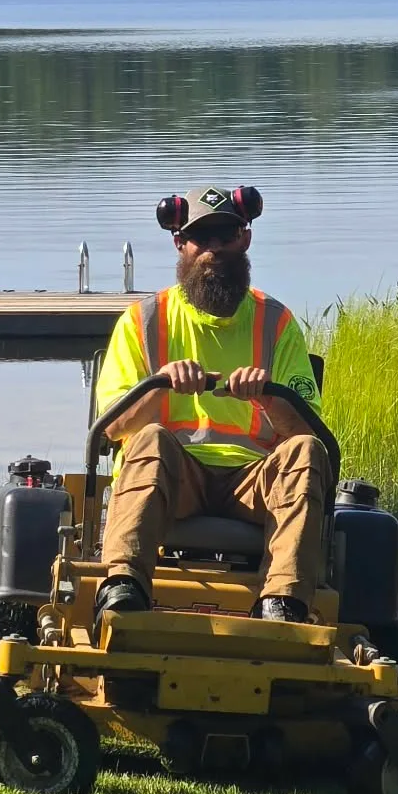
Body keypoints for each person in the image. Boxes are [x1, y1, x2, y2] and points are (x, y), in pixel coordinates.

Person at [91, 185, 330, 627]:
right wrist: (162, 388)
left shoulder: (276, 322)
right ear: (180, 242)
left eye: (226, 235)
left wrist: (268, 396)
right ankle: (123, 587)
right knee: (149, 439)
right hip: (176, 478)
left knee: (307, 454)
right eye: (203, 238)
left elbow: (306, 431)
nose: (214, 249)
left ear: (245, 239)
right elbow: (114, 427)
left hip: (253, 482)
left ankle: (283, 604)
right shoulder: (143, 321)